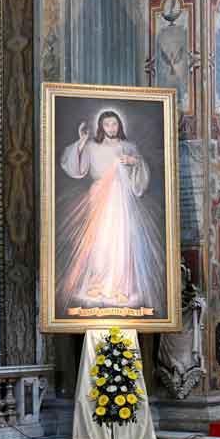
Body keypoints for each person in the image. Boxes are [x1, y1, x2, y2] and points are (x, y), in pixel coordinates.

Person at [58, 109, 164, 308]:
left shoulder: (128, 147)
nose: (111, 128)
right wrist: (81, 141)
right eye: (107, 124)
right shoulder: (91, 147)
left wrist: (135, 162)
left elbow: (141, 175)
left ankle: (121, 287)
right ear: (101, 126)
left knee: (122, 241)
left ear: (119, 126)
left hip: (122, 199)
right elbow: (74, 167)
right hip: (99, 197)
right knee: (100, 241)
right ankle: (98, 282)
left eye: (114, 124)